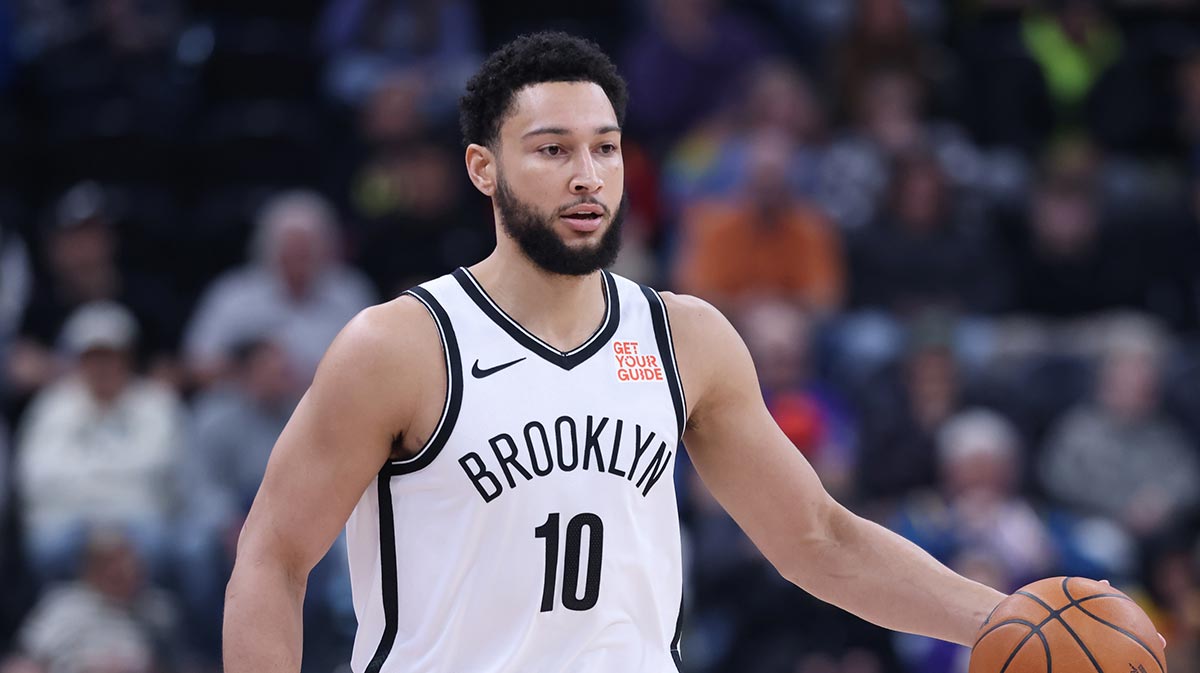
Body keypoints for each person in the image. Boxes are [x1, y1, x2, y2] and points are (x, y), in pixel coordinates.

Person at [223, 32, 1008, 672]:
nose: (587, 177)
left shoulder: (684, 337)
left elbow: (818, 539)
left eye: (605, 149)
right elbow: (273, 556)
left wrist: (1007, 619)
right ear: (483, 168)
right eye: (553, 150)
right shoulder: (400, 344)